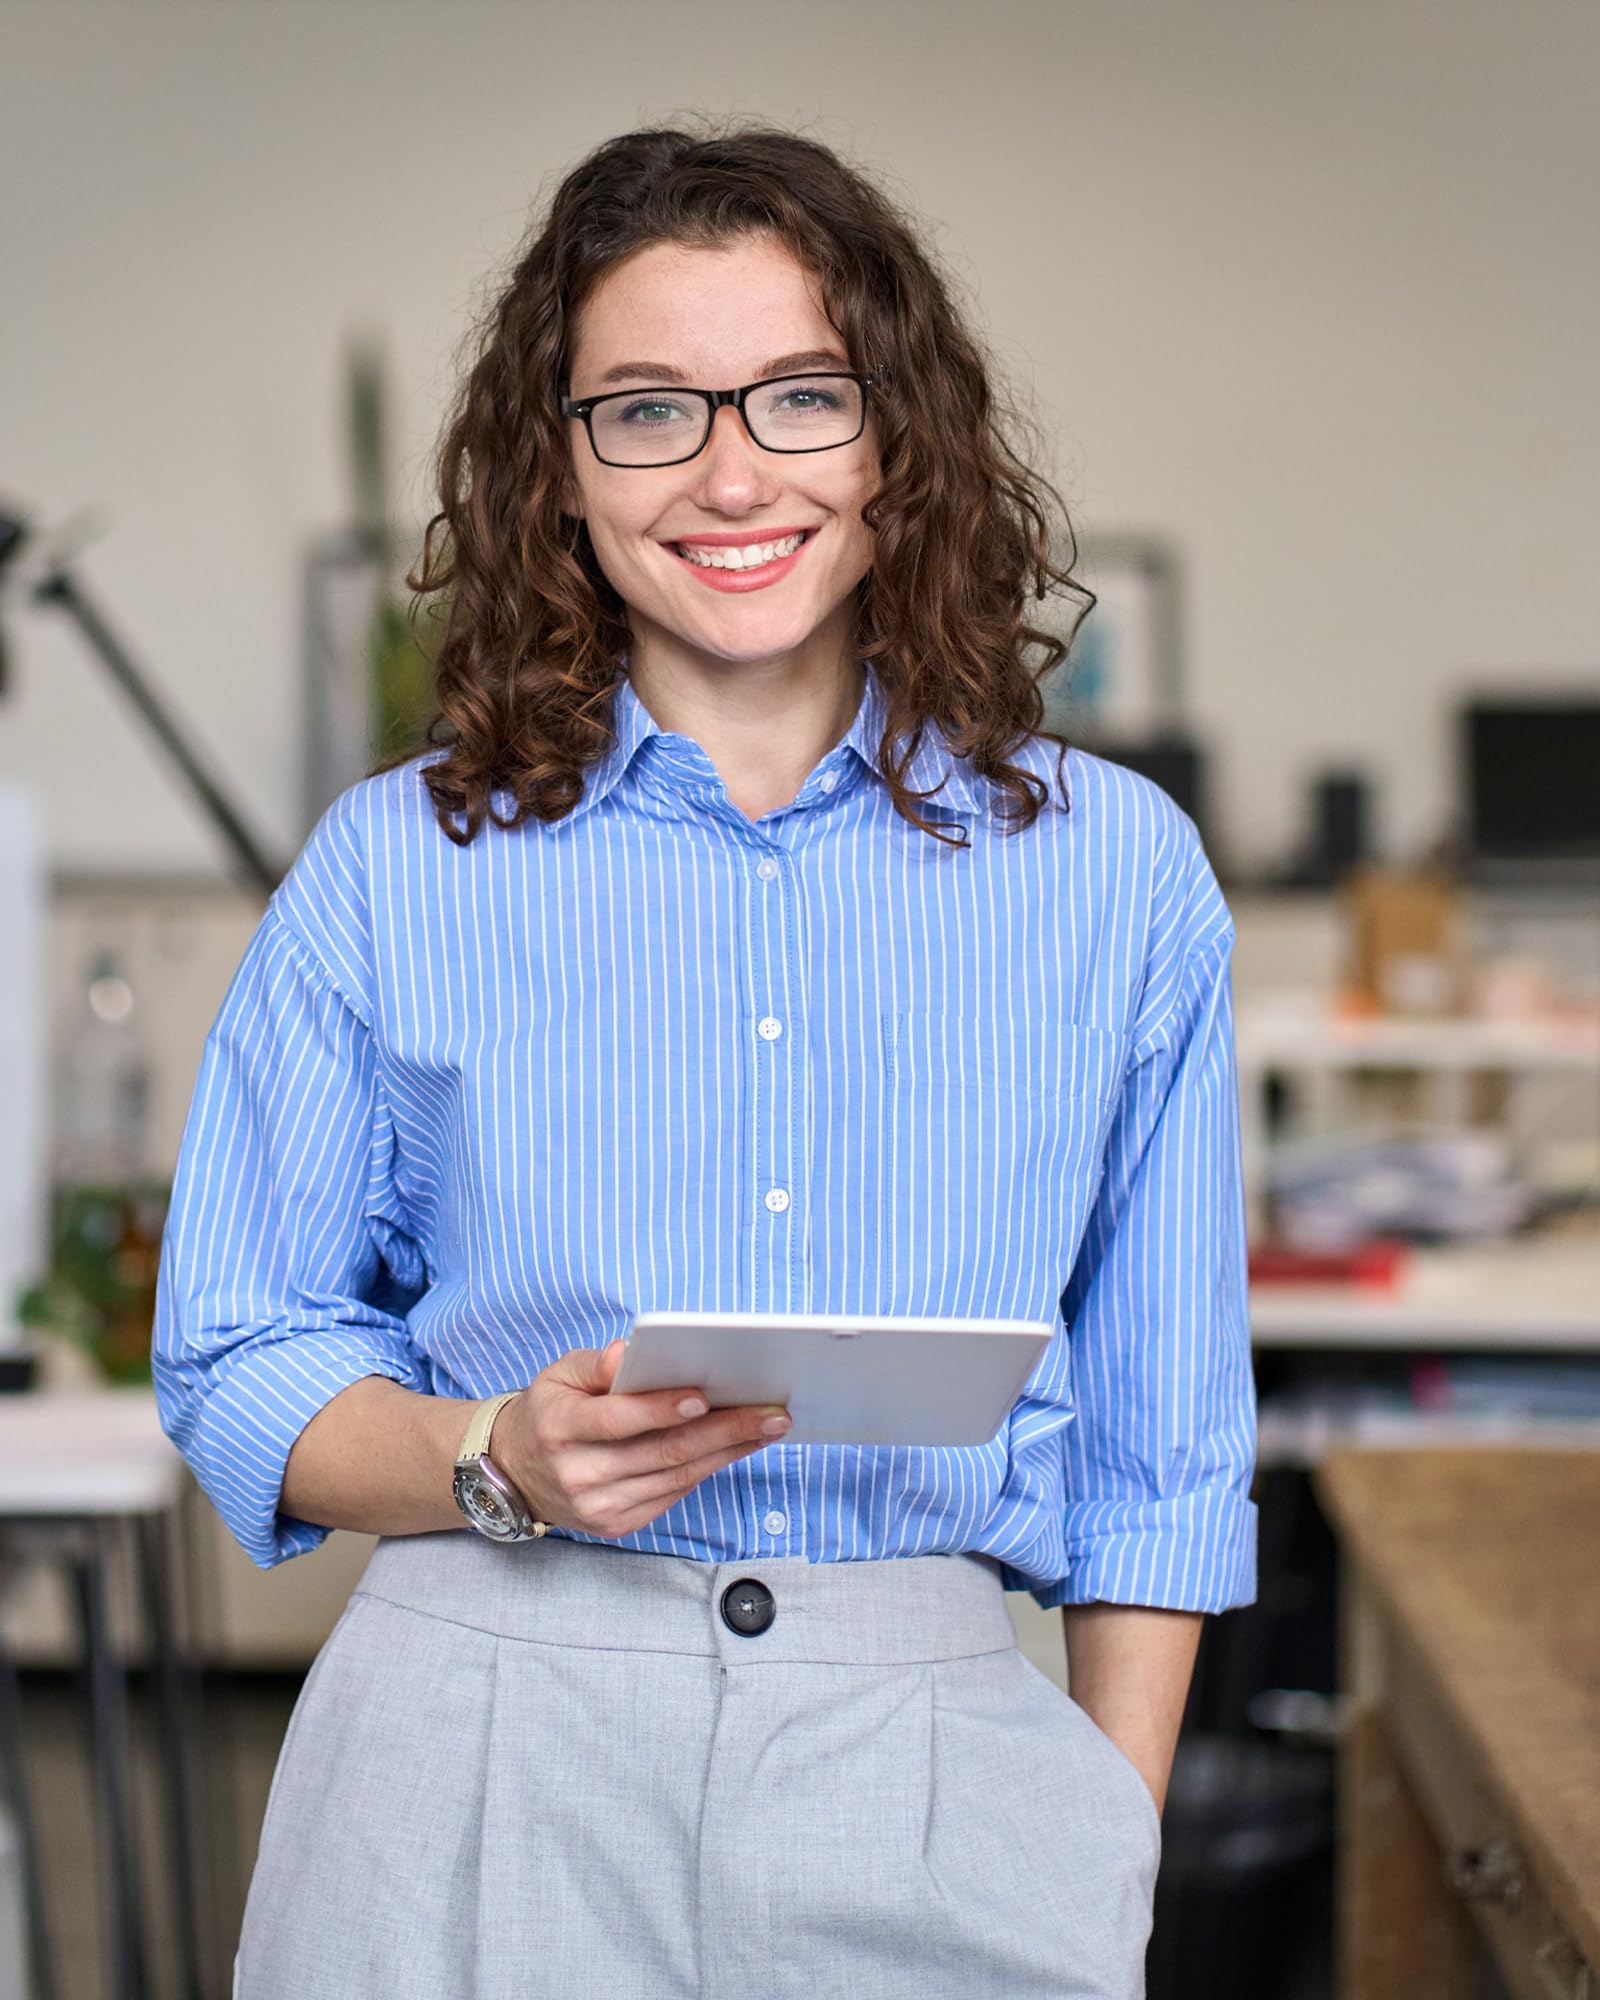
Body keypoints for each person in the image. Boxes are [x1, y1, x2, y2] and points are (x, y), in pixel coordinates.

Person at [153, 121, 1257, 2000]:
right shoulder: (396, 865)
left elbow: (1165, 1453)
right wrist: (495, 1455)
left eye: (802, 397)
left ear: (897, 442)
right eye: (647, 409)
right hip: (475, 1742)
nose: (732, 469)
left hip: (935, 1761)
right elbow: (242, 1353)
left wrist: (1102, 1847)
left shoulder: (1115, 872)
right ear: (558, 470)